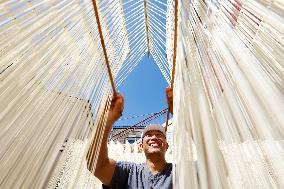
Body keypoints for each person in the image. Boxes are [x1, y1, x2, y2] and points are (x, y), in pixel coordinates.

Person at [87, 87, 173, 189]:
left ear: (167, 146)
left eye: (159, 134)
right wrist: (105, 122)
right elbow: (97, 165)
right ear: (140, 146)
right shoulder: (128, 172)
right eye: (148, 135)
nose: (154, 137)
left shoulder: (180, 172)